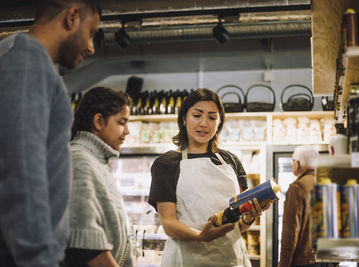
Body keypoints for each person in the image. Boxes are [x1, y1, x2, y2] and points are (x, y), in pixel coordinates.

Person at [0, 1, 101, 266]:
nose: (91, 47)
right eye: (91, 32)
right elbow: (20, 168)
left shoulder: (38, 66)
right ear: (72, 16)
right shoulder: (25, 58)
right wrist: (39, 259)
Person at [148, 88, 269, 267]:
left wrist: (251, 215)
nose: (204, 123)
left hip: (230, 259)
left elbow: (237, 226)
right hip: (186, 259)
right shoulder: (166, 164)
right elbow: (169, 223)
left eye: (212, 118)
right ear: (184, 118)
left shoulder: (230, 161)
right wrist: (201, 236)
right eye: (197, 115)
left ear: (219, 123)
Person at [65, 87, 134, 267]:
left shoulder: (97, 162)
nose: (127, 131)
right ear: (99, 121)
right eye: (122, 122)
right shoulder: (79, 161)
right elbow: (85, 243)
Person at [278, 145, 319, 267]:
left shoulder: (297, 188)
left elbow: (290, 232)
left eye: (293, 161)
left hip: (303, 261)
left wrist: (284, 264)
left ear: (298, 164)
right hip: (326, 259)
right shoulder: (325, 183)